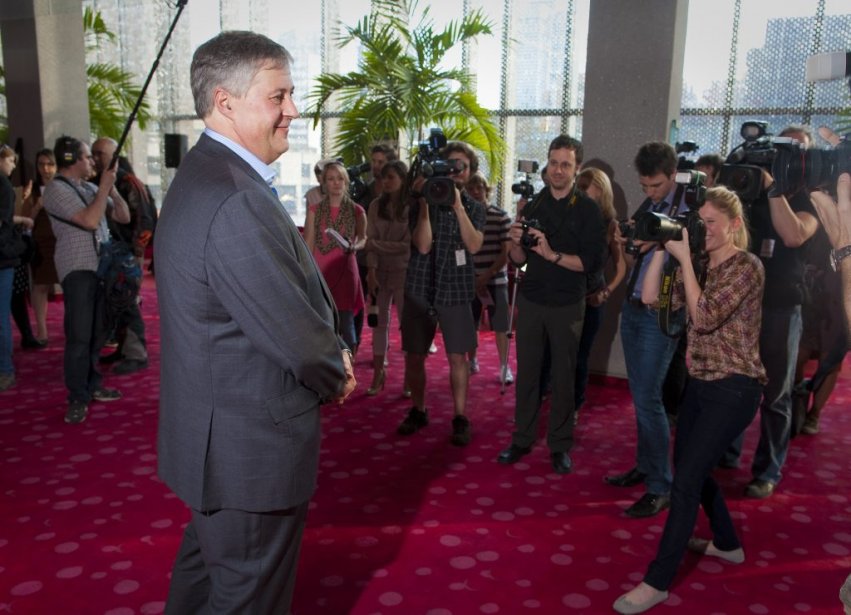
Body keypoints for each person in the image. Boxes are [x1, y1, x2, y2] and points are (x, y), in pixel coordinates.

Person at [155, 31, 355, 615]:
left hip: (217, 445)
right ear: (226, 102)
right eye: (279, 96)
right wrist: (335, 370)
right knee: (248, 600)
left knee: (204, 586)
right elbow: (293, 333)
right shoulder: (234, 196)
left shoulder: (204, 175)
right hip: (248, 454)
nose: (293, 110)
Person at [613, 186, 766, 614]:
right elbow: (650, 299)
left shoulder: (746, 267)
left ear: (735, 224)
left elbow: (704, 316)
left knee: (685, 483)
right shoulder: (696, 263)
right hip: (700, 385)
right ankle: (728, 544)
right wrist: (664, 247)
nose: (704, 230)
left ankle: (657, 581)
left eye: (712, 222)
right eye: (700, 222)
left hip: (735, 388)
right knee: (690, 469)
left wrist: (684, 261)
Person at [720, 125, 820, 499]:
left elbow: (794, 235)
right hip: (740, 303)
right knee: (731, 386)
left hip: (781, 306)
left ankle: (768, 469)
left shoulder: (808, 197)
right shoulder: (748, 187)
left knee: (775, 394)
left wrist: (773, 187)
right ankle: (726, 453)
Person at [497, 135, 606, 474]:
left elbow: (589, 263)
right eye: (553, 163)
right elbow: (520, 261)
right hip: (531, 299)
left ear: (577, 169)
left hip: (567, 303)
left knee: (563, 376)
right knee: (528, 374)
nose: (557, 170)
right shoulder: (533, 205)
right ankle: (522, 437)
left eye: (565, 165)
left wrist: (551, 254)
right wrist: (514, 242)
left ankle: (560, 445)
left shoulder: (589, 210)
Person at [605, 142, 688, 518]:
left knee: (648, 398)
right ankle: (646, 466)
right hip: (635, 305)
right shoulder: (650, 205)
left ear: (672, 174)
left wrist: (656, 240)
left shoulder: (690, 208)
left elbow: (690, 256)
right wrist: (628, 242)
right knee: (641, 397)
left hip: (662, 311)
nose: (650, 193)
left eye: (655, 186)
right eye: (644, 186)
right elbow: (634, 249)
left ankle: (660, 485)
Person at [396, 140, 485, 446]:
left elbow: (474, 246)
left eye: (463, 167)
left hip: (457, 288)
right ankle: (418, 409)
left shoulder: (475, 207)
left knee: (458, 356)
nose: (456, 172)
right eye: (451, 166)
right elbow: (422, 246)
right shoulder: (423, 202)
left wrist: (458, 206)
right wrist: (424, 205)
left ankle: (460, 416)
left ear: (470, 172)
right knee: (415, 355)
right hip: (420, 286)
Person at [43, 136, 130, 424]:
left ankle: (93, 385)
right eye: (86, 156)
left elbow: (124, 217)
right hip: (78, 269)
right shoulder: (55, 190)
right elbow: (90, 221)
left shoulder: (91, 187)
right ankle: (77, 396)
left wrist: (111, 191)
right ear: (73, 160)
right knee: (79, 336)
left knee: (96, 334)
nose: (92, 161)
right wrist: (103, 189)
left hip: (101, 270)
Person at [91, 138, 150, 376]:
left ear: (115, 154)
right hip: (107, 254)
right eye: (93, 153)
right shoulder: (95, 182)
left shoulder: (128, 182)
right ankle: (123, 349)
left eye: (101, 154)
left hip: (126, 256)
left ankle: (137, 353)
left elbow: (145, 221)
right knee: (115, 306)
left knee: (128, 305)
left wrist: (135, 255)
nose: (96, 158)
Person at [573, 167, 625, 416]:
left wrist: (606, 291)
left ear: (601, 191)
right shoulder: (569, 216)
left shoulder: (610, 225)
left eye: (586, 187)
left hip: (592, 300)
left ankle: (574, 407)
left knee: (580, 358)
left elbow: (622, 266)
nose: (581, 191)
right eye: (579, 186)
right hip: (564, 299)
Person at [304, 160, 367, 354]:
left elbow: (363, 238)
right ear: (324, 183)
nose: (336, 183)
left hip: (345, 268)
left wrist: (354, 246)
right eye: (331, 179)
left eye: (340, 178)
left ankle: (350, 363)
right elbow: (309, 243)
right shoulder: (315, 210)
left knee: (346, 319)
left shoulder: (357, 210)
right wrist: (307, 274)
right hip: (321, 269)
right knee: (322, 317)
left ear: (346, 181)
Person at [364, 160, 410, 396]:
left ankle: (409, 378)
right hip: (379, 272)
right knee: (379, 326)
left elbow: (407, 246)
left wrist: (376, 245)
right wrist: (370, 270)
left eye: (391, 177)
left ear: (403, 179)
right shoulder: (374, 205)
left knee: (407, 325)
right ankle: (378, 372)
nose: (386, 182)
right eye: (383, 177)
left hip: (404, 272)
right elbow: (368, 242)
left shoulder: (412, 206)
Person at [465, 171, 513, 383]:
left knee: (501, 326)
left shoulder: (501, 216)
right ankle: (472, 361)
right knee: (469, 324)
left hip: (496, 280)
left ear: (487, 190)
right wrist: (474, 278)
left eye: (480, 188)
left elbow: (507, 252)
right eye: (471, 188)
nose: (476, 192)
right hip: (470, 281)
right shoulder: (464, 218)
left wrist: (488, 275)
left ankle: (504, 366)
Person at [0, 144, 35, 391]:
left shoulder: (3, 184)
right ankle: (5, 369)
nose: (13, 166)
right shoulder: (3, 184)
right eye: (11, 161)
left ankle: (5, 369)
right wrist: (21, 218)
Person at [21, 148, 59, 345]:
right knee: (41, 286)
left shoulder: (63, 186)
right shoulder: (32, 190)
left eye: (50, 164)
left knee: (71, 286)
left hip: (62, 242)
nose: (45, 169)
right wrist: (37, 207)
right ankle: (42, 331)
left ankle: (73, 329)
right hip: (41, 243)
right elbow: (24, 221)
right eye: (41, 164)